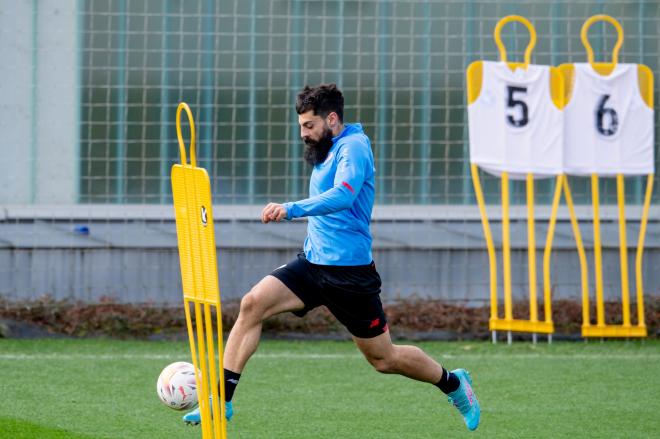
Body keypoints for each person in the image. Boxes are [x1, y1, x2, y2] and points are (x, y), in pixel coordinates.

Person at [183, 83, 480, 431]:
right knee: (252, 304)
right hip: (311, 265)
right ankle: (221, 401)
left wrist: (290, 208)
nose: (304, 134)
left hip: (350, 276)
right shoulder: (326, 147)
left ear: (333, 119)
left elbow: (343, 196)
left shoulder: (353, 147)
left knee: (384, 359)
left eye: (310, 126)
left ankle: (453, 383)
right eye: (301, 128)